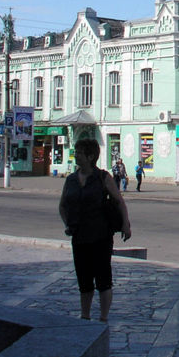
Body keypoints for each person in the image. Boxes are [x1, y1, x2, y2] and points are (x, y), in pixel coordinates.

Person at [59, 138, 131, 322]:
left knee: (103, 278)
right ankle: (85, 315)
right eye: (76, 152)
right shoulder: (71, 180)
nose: (77, 156)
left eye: (80, 153)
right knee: (83, 279)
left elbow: (119, 201)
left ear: (91, 156)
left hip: (101, 236)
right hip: (79, 236)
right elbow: (62, 205)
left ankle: (104, 317)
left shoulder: (102, 177)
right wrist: (68, 224)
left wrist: (125, 224)